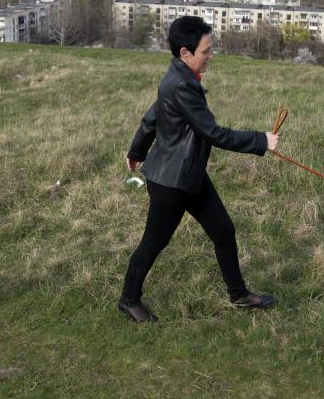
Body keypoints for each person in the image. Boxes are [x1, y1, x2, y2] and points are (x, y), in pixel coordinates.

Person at [119, 16, 280, 323]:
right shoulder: (181, 86)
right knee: (153, 243)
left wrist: (136, 152)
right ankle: (128, 300)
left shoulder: (177, 78)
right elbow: (213, 133)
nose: (211, 56)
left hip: (188, 173)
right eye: (206, 51)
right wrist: (261, 141)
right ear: (185, 53)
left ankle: (239, 295)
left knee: (223, 230)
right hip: (171, 183)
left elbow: (152, 118)